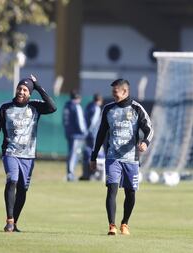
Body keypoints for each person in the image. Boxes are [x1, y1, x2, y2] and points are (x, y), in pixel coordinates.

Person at [0, 74, 56, 232]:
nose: (21, 92)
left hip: (29, 155)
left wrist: (37, 86)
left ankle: (15, 222)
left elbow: (52, 106)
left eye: (25, 90)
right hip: (10, 153)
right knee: (12, 180)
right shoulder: (5, 108)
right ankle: (9, 220)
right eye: (19, 88)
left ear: (29, 93)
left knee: (23, 189)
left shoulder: (35, 107)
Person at [90, 79, 153, 236]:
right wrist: (94, 156)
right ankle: (112, 225)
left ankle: (125, 223)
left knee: (130, 193)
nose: (113, 95)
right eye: (112, 92)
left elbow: (149, 129)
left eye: (115, 92)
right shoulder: (108, 109)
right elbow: (101, 134)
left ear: (125, 92)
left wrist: (145, 142)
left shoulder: (137, 108)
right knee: (111, 189)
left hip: (132, 159)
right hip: (113, 157)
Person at [63, 90, 87, 181]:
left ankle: (70, 173)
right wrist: (84, 132)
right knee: (74, 155)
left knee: (71, 154)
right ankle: (70, 174)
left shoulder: (67, 105)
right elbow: (80, 121)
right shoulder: (76, 106)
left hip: (69, 134)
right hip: (77, 135)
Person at [79, 93, 104, 180]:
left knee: (87, 153)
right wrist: (90, 131)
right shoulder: (96, 108)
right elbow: (93, 122)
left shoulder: (88, 106)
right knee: (95, 154)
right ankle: (93, 173)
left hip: (87, 134)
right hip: (93, 134)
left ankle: (86, 174)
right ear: (99, 100)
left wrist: (86, 132)